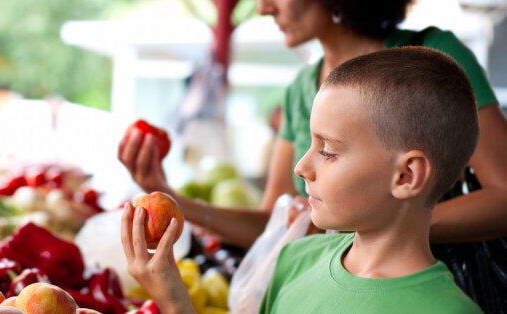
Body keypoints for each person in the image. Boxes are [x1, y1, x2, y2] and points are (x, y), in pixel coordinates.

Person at [117, 0, 507, 249]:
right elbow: (277, 227)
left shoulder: (435, 58)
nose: (263, 8)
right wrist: (170, 199)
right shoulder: (301, 89)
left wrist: (383, 227)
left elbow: (503, 197)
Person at [121, 46, 484, 314]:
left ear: (406, 176)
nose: (301, 167)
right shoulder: (292, 259)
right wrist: (174, 300)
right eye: (310, 143)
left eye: (328, 150)